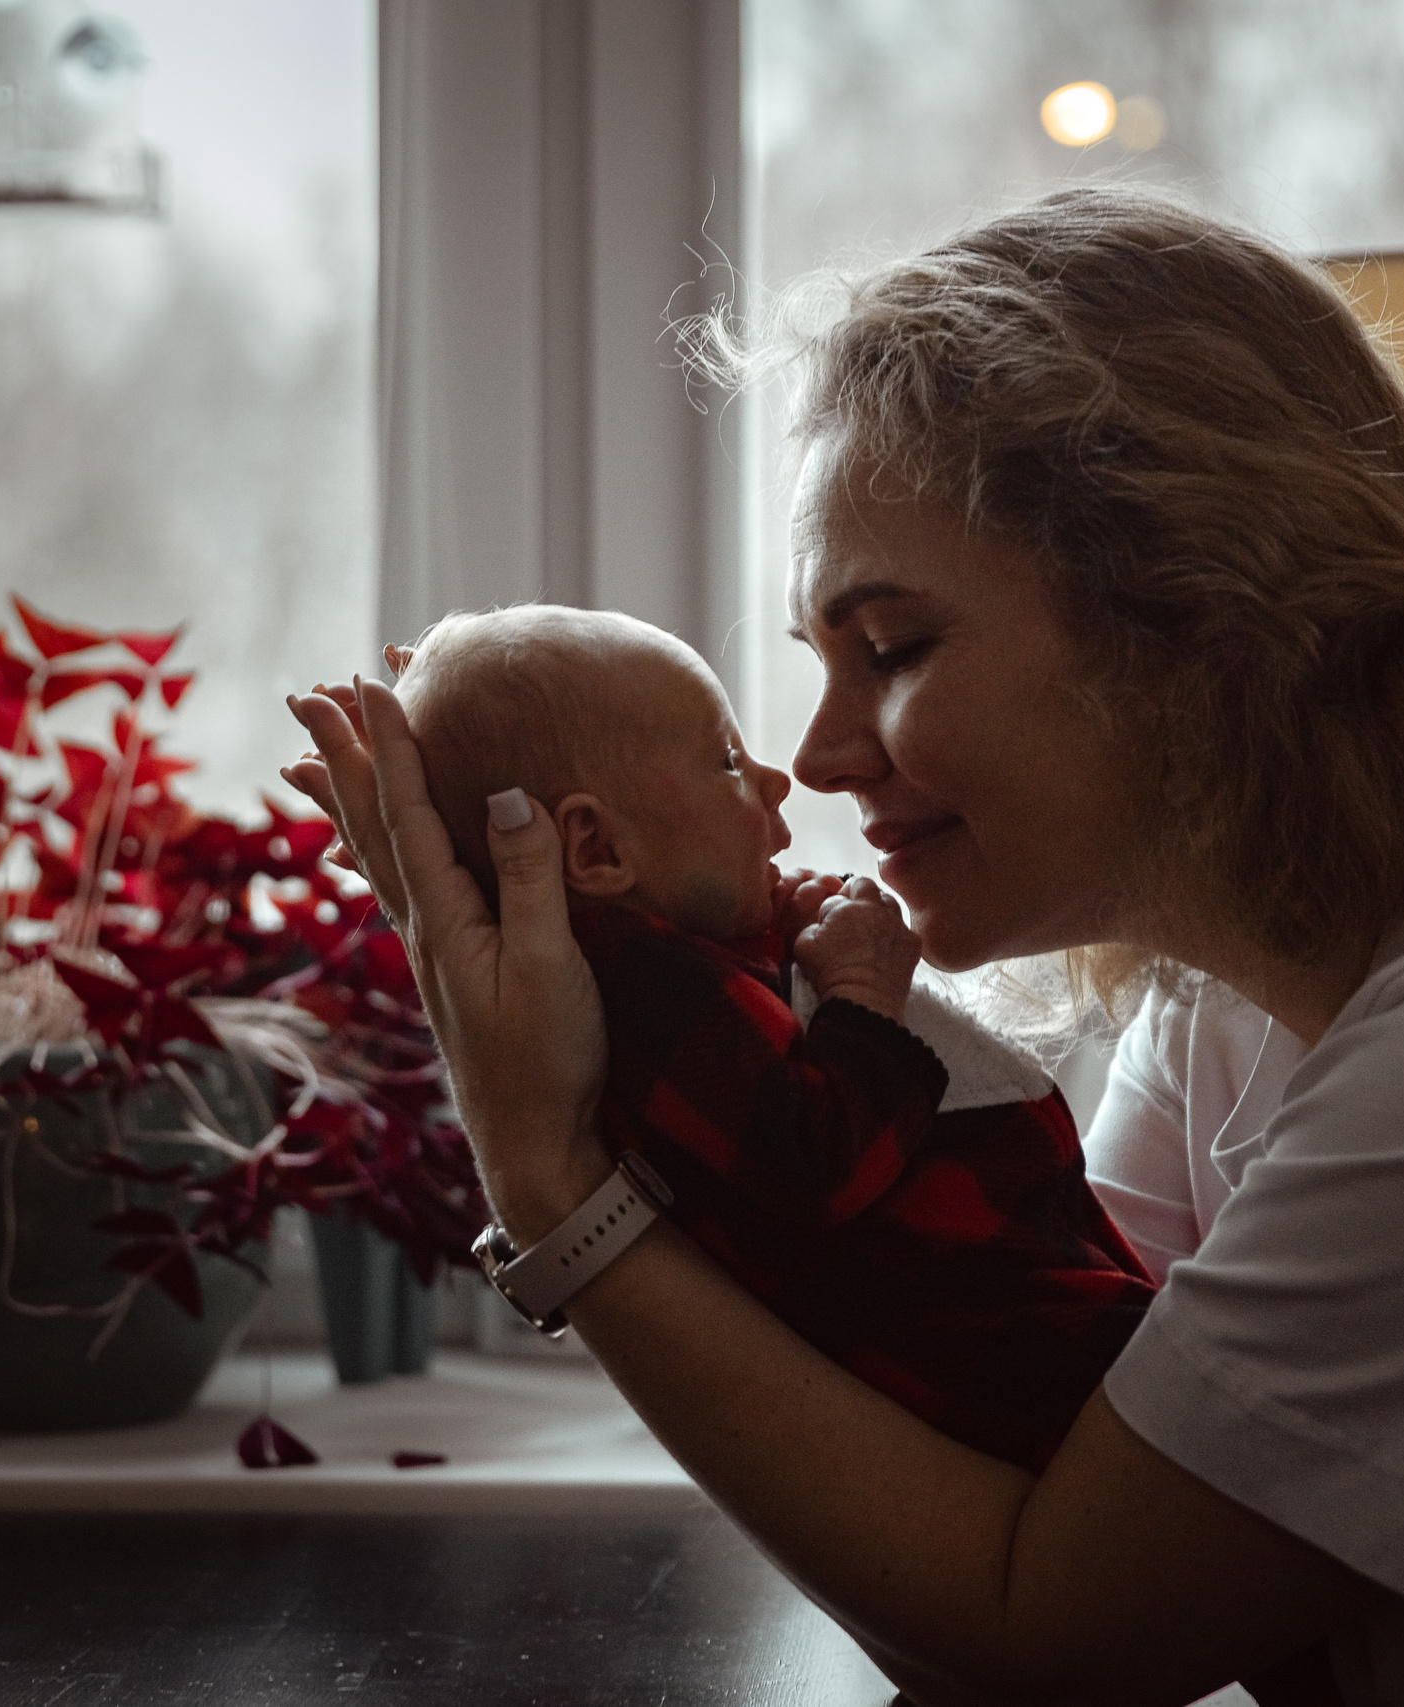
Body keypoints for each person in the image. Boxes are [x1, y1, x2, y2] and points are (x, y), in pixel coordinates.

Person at [287, 186, 1404, 1705]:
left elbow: (1058, 1636)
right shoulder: (1236, 989)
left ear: (1196, 619)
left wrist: (554, 1180)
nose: (813, 756)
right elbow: (1004, 1482)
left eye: (888, 644)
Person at [391, 604, 1155, 1474]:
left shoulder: (681, 966)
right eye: (724, 758)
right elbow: (814, 1160)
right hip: (993, 1342)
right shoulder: (654, 985)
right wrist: (860, 993)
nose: (775, 775)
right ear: (595, 846)